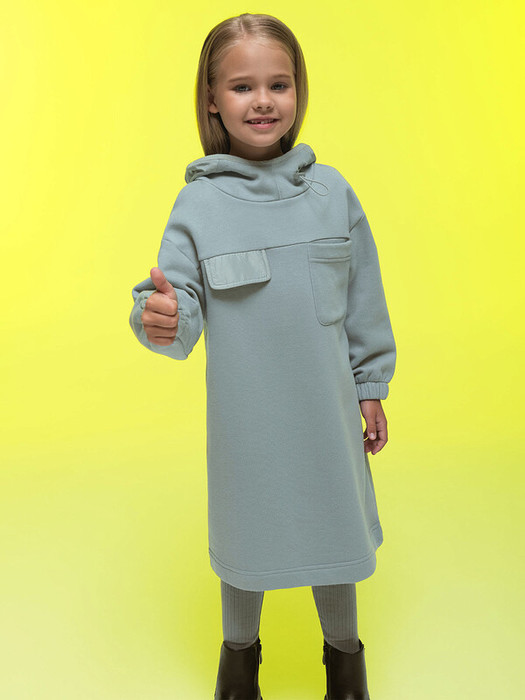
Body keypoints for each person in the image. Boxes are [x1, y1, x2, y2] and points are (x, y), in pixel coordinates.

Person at [129, 12, 396, 700]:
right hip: (246, 423)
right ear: (212, 100)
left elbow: (363, 297)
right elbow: (176, 306)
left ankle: (344, 664)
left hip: (325, 412)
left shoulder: (332, 193)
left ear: (299, 91)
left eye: (279, 83)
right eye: (242, 86)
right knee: (244, 539)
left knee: (334, 528)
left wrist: (370, 385)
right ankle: (238, 663)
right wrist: (160, 317)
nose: (263, 100)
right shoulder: (197, 206)